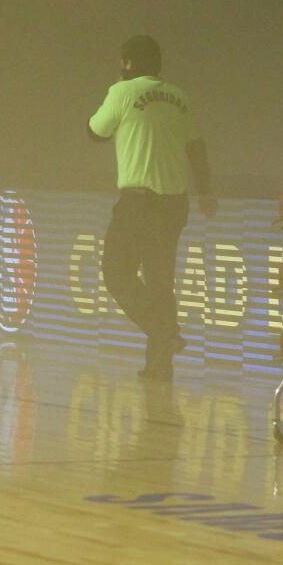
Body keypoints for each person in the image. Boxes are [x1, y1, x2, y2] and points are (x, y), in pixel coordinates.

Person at [88, 35, 217, 380]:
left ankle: (165, 333)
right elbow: (197, 148)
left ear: (127, 63)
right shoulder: (179, 96)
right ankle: (159, 365)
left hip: (138, 203)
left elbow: (95, 131)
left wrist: (118, 87)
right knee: (160, 281)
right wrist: (205, 191)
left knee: (116, 273)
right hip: (174, 204)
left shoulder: (122, 92)